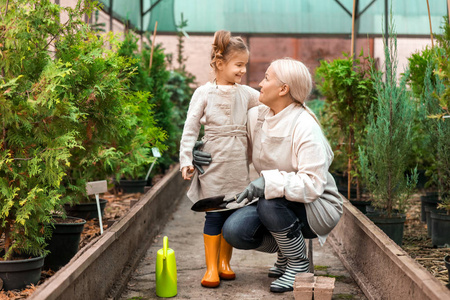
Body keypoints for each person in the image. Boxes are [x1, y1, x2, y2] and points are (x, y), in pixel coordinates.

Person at [196, 58, 343, 293]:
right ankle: (287, 252)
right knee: (235, 230)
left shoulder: (305, 125)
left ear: (283, 89)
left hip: (317, 207)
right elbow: (229, 140)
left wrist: (268, 181)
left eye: (266, 78)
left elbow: (314, 184)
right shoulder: (258, 117)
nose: (259, 84)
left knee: (269, 201)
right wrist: (200, 150)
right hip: (278, 203)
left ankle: (298, 263)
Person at [179, 30, 260, 288]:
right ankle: (211, 268)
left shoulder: (246, 93)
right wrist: (186, 160)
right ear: (220, 63)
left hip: (237, 163)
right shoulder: (204, 93)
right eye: (239, 65)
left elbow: (268, 104)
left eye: (245, 65)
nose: (243, 70)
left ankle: (225, 264)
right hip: (213, 163)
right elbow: (190, 128)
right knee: (214, 214)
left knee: (232, 211)